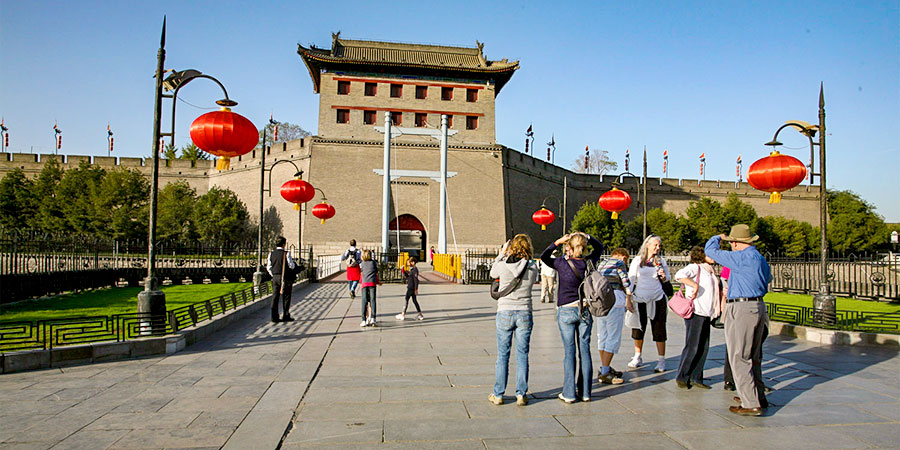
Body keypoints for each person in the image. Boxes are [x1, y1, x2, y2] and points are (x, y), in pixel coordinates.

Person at [705, 224, 771, 416]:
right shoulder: (759, 258)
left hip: (741, 308)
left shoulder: (740, 257)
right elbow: (768, 278)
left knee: (739, 356)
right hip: (758, 306)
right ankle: (756, 395)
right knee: (754, 355)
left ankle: (750, 403)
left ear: (734, 243)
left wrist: (718, 237)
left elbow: (710, 250)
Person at [541, 232, 603, 403]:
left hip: (566, 311)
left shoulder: (561, 263)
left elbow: (544, 256)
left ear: (569, 246)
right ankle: (585, 392)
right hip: (584, 310)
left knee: (569, 353)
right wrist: (588, 236)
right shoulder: (588, 262)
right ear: (583, 247)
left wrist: (557, 241)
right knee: (585, 351)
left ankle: (568, 393)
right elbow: (600, 247)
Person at [488, 234, 540, 406]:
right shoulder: (533, 268)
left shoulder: (502, 265)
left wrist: (502, 254)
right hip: (524, 312)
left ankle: (498, 394)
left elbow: (492, 273)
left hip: (505, 311)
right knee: (522, 354)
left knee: (503, 355)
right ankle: (521, 394)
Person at [673, 246, 722, 390]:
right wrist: (693, 284)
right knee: (693, 345)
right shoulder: (695, 267)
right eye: (710, 254)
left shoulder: (710, 270)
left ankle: (696, 376)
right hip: (696, 311)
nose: (714, 256)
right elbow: (679, 275)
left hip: (707, 312)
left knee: (703, 346)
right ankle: (683, 376)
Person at [626, 235, 671, 373]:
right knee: (638, 328)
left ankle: (661, 359)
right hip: (640, 298)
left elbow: (668, 277)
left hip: (657, 298)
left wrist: (663, 277)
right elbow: (631, 280)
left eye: (659, 246)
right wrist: (628, 298)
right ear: (647, 245)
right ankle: (638, 356)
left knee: (659, 328)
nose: (657, 248)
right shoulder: (638, 261)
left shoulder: (661, 261)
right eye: (655, 245)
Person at [595, 248, 633, 385]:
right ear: (623, 256)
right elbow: (626, 283)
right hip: (615, 300)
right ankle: (605, 371)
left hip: (601, 301)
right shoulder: (619, 263)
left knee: (602, 335)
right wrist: (629, 299)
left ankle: (605, 366)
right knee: (613, 336)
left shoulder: (602, 263)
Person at [266, 236, 297, 323]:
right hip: (285, 277)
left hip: (275, 277)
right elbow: (291, 266)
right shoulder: (286, 253)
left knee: (275, 296)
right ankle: (286, 315)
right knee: (286, 296)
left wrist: (274, 275)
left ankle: (274, 316)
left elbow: (269, 267)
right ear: (284, 244)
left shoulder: (271, 254)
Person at [359, 249, 381, 327]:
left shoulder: (362, 264)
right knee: (373, 300)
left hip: (364, 283)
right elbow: (376, 273)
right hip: (372, 283)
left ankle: (364, 320)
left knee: (364, 301)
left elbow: (361, 273)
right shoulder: (373, 263)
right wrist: (378, 282)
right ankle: (373, 318)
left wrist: (360, 281)